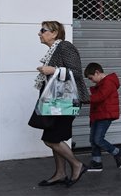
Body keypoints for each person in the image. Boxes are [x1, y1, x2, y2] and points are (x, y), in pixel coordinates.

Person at [34, 21, 90, 187]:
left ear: (54, 33)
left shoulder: (65, 47)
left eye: (43, 30)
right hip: (55, 102)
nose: (39, 33)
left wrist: (53, 70)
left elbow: (77, 72)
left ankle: (77, 165)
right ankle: (60, 174)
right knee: (54, 137)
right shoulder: (53, 51)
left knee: (51, 139)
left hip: (66, 101)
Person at [84, 62, 121, 171]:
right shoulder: (102, 83)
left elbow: (99, 97)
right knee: (93, 139)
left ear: (97, 72)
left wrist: (84, 99)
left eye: (91, 78)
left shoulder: (108, 82)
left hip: (105, 115)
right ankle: (97, 162)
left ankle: (117, 152)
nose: (91, 81)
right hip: (98, 114)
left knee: (98, 139)